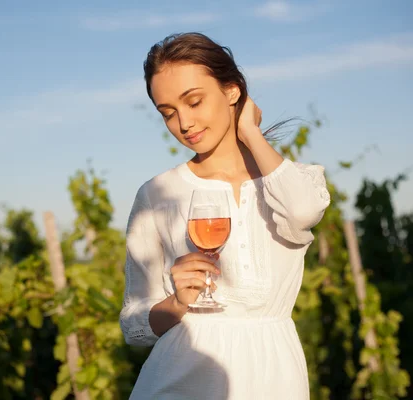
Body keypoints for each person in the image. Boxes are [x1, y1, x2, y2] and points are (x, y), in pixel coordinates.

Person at [119, 32, 330, 399]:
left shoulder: (289, 183)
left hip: (274, 377)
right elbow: (133, 325)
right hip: (179, 380)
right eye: (168, 113)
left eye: (194, 101)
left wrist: (250, 131)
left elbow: (303, 211)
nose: (183, 123)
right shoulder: (157, 195)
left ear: (232, 91)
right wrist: (178, 301)